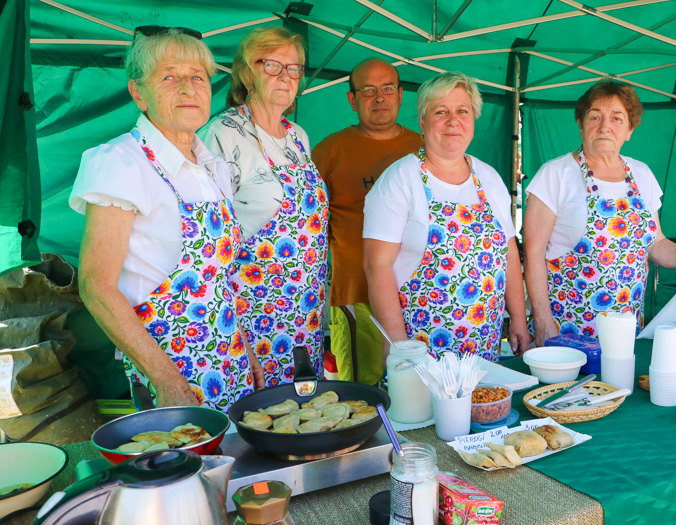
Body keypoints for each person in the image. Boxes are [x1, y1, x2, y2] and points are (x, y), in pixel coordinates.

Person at [72, 27, 263, 411]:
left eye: (198, 76)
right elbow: (97, 287)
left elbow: (219, 277)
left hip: (232, 360)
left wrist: (246, 347)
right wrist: (164, 378)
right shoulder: (121, 162)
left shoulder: (213, 166)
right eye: (169, 76)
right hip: (169, 370)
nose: (187, 88)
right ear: (138, 93)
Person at [523, 80, 676, 346]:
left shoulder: (641, 174)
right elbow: (533, 253)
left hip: (627, 330)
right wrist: (544, 324)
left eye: (617, 118)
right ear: (580, 124)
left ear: (630, 129)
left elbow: (657, 244)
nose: (605, 126)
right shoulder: (555, 174)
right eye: (595, 116)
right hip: (568, 330)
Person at [363, 71, 530, 362]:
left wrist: (518, 317)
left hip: (484, 350)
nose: (453, 121)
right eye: (441, 111)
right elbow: (375, 266)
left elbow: (509, 253)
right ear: (422, 122)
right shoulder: (399, 180)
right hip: (420, 353)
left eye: (462, 111)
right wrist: (398, 344)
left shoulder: (489, 178)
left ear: (474, 119)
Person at [203, 27, 328, 386]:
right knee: (260, 420)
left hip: (305, 313)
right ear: (246, 72)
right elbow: (210, 242)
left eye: (294, 68)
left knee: (302, 418)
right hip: (253, 315)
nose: (285, 77)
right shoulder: (224, 133)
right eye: (272, 65)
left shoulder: (297, 136)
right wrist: (237, 334)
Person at [312, 58, 423, 385]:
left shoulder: (422, 148)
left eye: (388, 88)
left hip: (419, 294)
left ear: (401, 95)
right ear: (352, 99)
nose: (379, 97)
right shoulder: (330, 151)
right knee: (365, 395)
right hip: (357, 294)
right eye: (368, 90)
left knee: (417, 390)